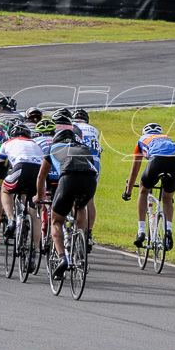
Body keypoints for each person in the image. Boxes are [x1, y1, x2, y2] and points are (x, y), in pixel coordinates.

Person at [37, 127, 98, 279]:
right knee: (80, 207)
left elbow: (41, 176)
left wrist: (39, 196)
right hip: (89, 180)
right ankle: (80, 246)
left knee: (56, 221)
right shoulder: (84, 148)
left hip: (68, 178)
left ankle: (62, 257)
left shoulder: (54, 147)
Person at [122, 122, 175, 251]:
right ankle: (168, 230)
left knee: (143, 191)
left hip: (156, 161)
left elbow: (135, 169)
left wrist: (128, 192)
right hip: (174, 164)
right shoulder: (168, 139)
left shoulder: (142, 140)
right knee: (167, 199)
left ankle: (141, 232)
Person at [0, 123, 44, 262]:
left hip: (21, 168)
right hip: (38, 173)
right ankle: (33, 252)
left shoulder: (8, 143)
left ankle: (11, 219)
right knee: (34, 212)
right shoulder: (36, 143)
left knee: (6, 190)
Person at [71, 108, 102, 251]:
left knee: (71, 193)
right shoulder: (94, 130)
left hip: (78, 159)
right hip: (95, 162)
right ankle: (88, 232)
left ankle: (74, 224)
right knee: (90, 198)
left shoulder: (72, 127)